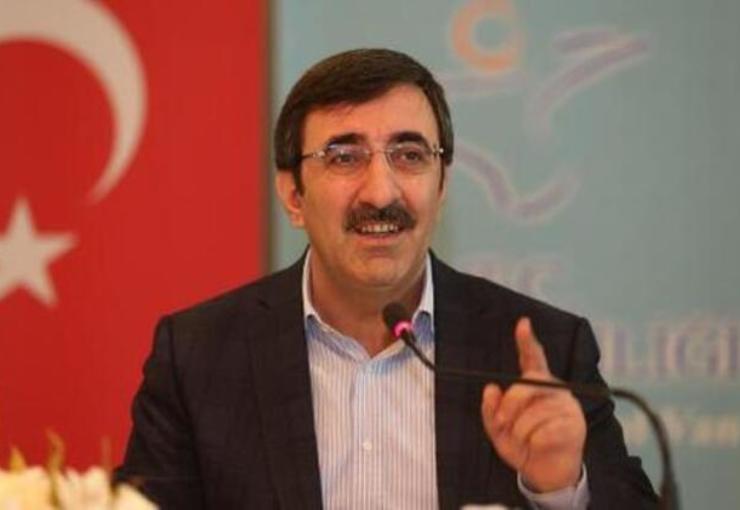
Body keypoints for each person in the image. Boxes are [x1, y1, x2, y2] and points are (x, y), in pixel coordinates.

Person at [117, 48, 658, 509]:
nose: (381, 192)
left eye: (409, 155)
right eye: (344, 157)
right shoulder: (199, 356)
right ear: (293, 194)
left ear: (441, 186)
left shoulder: (545, 353)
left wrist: (560, 488)